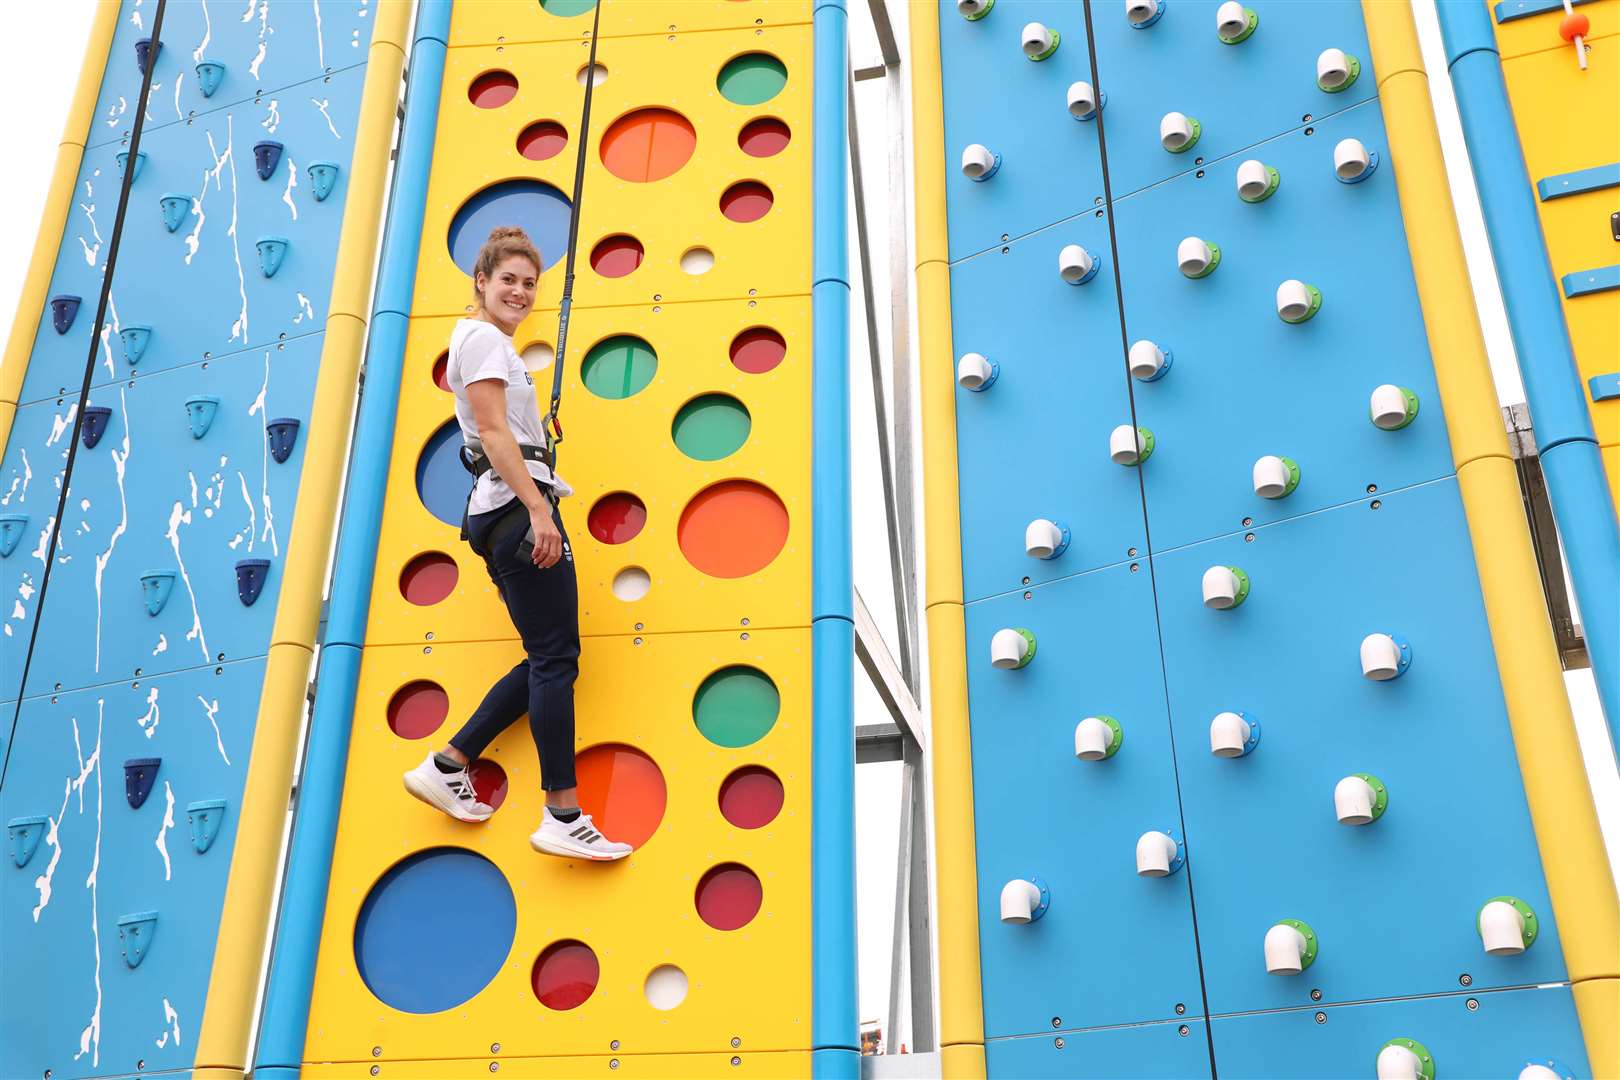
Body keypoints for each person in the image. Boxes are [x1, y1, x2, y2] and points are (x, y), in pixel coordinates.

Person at [402, 225, 631, 861]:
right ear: (481, 280)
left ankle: (450, 764)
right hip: (515, 507)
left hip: (501, 510)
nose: (521, 292)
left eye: (530, 283)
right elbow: (497, 436)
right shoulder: (478, 339)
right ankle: (563, 812)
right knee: (557, 661)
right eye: (509, 280)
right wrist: (540, 510)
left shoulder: (490, 344)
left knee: (545, 656)